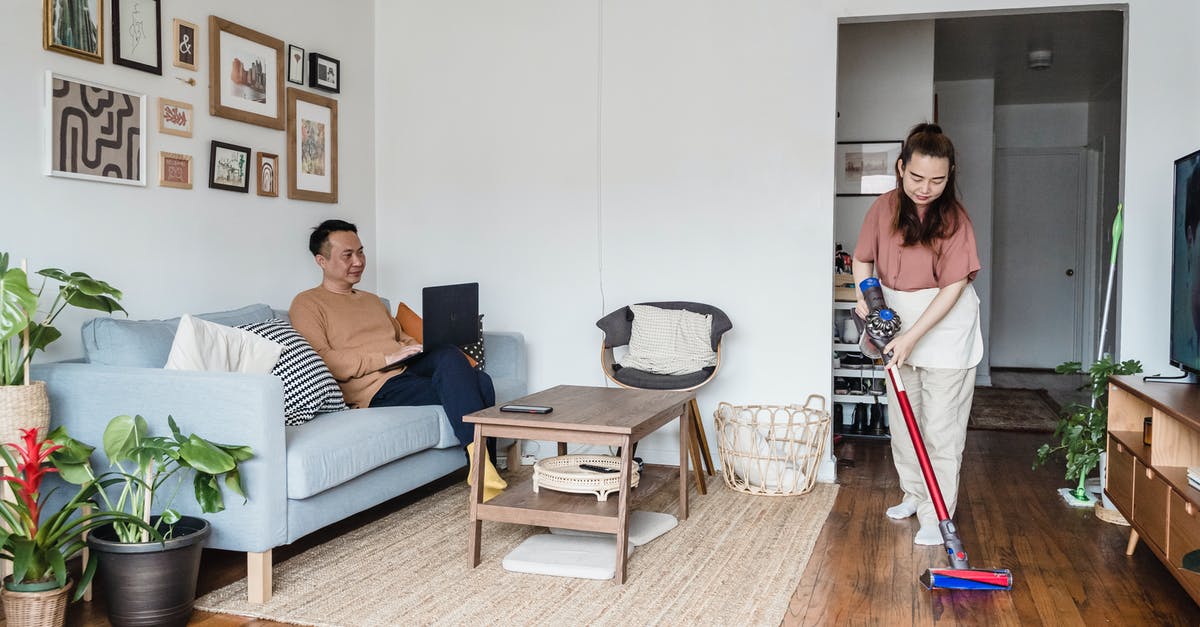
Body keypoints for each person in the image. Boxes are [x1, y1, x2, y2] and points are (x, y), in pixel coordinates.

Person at [289, 219, 506, 498]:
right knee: (481, 383)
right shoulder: (307, 304)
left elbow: (398, 338)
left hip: (405, 369)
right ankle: (484, 471)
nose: (358, 261)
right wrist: (385, 357)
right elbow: (324, 361)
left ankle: (480, 471)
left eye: (361, 252)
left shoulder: (371, 300)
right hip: (375, 387)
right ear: (321, 260)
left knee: (450, 354)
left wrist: (418, 347)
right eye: (347, 255)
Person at [851, 123, 983, 546]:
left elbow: (953, 287)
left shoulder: (955, 219)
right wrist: (864, 298)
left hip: (944, 329)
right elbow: (861, 260)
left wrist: (912, 338)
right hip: (896, 327)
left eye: (938, 180)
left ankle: (937, 512)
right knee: (904, 424)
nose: (926, 188)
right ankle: (913, 494)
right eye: (917, 177)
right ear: (900, 167)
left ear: (950, 175)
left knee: (941, 429)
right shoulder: (883, 208)